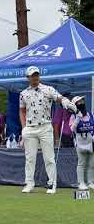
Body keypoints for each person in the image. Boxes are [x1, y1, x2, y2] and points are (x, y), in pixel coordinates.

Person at [20, 66, 77, 194]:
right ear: (28, 78)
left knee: (49, 158)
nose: (35, 77)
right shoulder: (23, 94)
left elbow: (59, 97)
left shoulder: (48, 89)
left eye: (37, 75)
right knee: (30, 158)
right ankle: (29, 183)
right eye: (32, 75)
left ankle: (52, 184)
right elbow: (22, 111)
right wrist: (24, 127)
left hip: (45, 127)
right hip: (30, 128)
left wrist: (66, 103)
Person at [69, 96, 94, 190]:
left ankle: (90, 182)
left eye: (82, 101)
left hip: (91, 142)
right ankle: (81, 182)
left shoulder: (91, 115)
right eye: (79, 102)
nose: (81, 103)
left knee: (92, 163)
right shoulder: (73, 116)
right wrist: (78, 118)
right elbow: (72, 129)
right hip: (80, 143)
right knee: (81, 163)